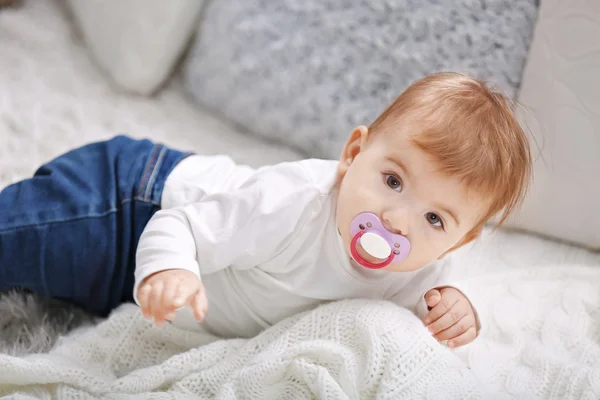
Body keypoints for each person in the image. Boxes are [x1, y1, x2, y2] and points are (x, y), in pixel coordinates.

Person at [0, 72, 531, 349]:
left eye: (435, 219)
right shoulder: (294, 202)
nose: (397, 220)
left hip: (146, 287)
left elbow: (429, 310)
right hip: (132, 205)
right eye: (392, 180)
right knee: (19, 241)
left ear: (459, 241)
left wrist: (458, 311)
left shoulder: (425, 269)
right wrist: (172, 267)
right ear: (352, 155)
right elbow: (179, 223)